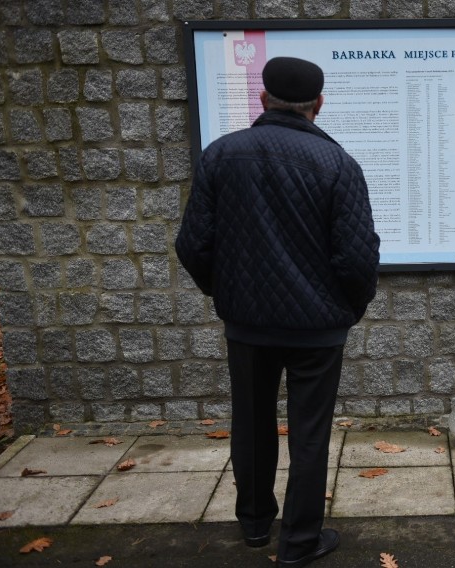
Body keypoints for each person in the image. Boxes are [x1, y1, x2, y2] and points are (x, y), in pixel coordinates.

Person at [175, 56, 380, 567]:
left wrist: (226, 295)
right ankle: (299, 542)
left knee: (251, 422)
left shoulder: (221, 155)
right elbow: (356, 256)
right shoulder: (337, 164)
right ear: (319, 105)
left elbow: (192, 244)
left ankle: (253, 525)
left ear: (263, 100)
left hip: (247, 324)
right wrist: (348, 310)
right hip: (318, 328)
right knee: (309, 433)